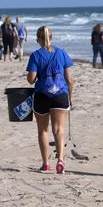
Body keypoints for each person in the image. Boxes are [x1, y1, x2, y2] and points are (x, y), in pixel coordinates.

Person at [26, 26, 73, 175]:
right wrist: (70, 97)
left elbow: (31, 80)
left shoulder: (35, 55)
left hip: (42, 95)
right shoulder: (62, 53)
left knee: (43, 130)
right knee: (59, 129)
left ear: (38, 39)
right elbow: (70, 80)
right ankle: (60, 160)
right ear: (51, 37)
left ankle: (46, 164)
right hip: (60, 94)